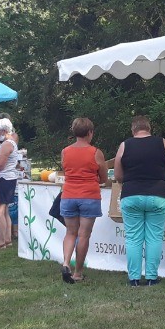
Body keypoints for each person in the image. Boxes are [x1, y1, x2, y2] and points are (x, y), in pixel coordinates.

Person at [114, 115, 165, 286]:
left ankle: (134, 278)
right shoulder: (162, 143)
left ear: (133, 129)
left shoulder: (124, 145)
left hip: (131, 195)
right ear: (149, 129)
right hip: (158, 195)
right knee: (154, 237)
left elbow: (118, 175)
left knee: (133, 238)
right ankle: (151, 277)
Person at [60, 117, 106, 283]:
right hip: (89, 196)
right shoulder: (96, 152)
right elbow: (103, 178)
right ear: (90, 133)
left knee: (70, 232)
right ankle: (78, 273)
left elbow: (66, 170)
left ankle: (66, 263)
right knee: (84, 235)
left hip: (68, 195)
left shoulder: (65, 151)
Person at [0, 118, 20, 250]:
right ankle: (7, 239)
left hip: (4, 179)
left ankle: (1, 241)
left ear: (3, 131)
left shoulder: (7, 144)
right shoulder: (10, 142)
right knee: (5, 210)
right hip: (9, 178)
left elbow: (0, 165)